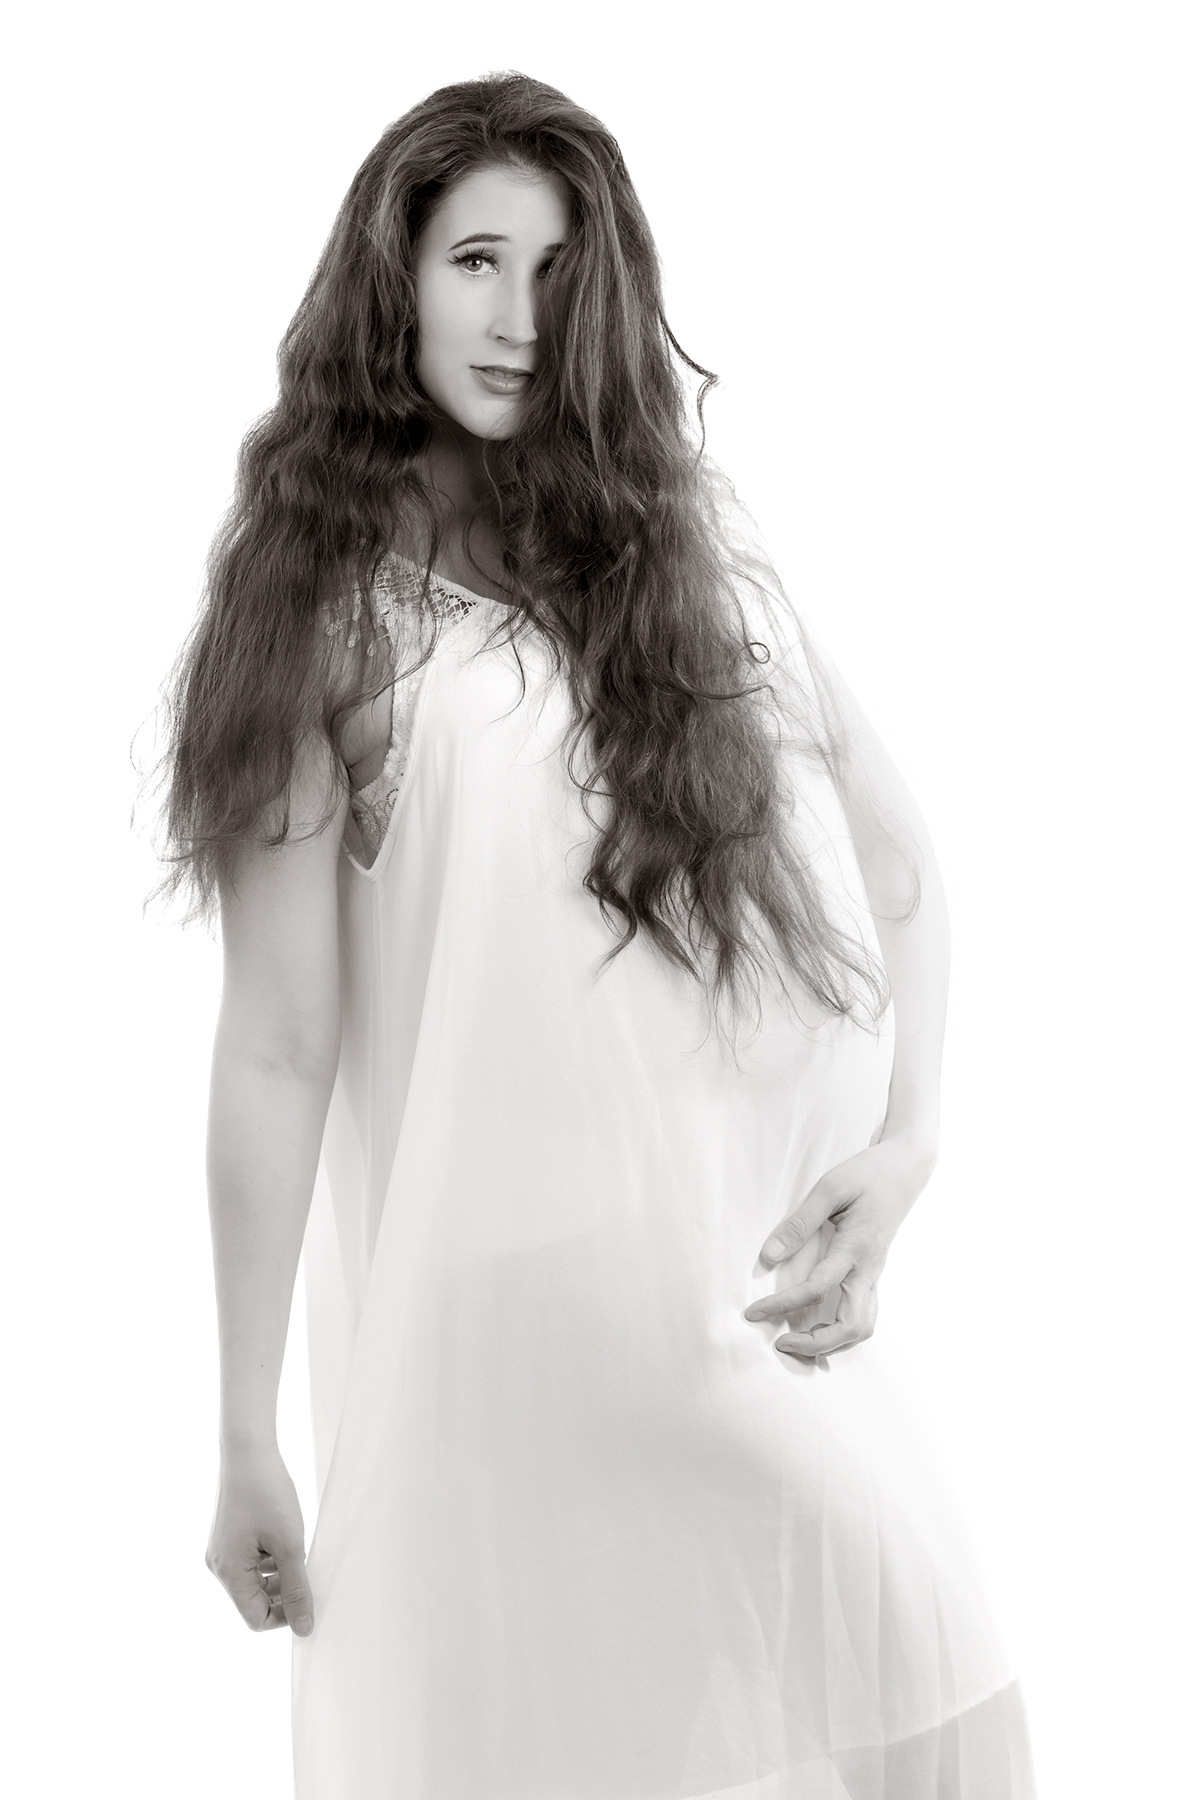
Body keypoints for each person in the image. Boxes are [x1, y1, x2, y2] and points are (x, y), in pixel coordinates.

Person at [163, 72, 1036, 1799]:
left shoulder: (679, 540)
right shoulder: (322, 612)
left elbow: (898, 866)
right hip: (501, 1340)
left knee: (949, 1719)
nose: (519, 318)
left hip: (729, 1310)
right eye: (477, 261)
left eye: (561, 273)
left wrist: (911, 1144)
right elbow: (275, 1044)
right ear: (396, 280)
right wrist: (246, 1432)